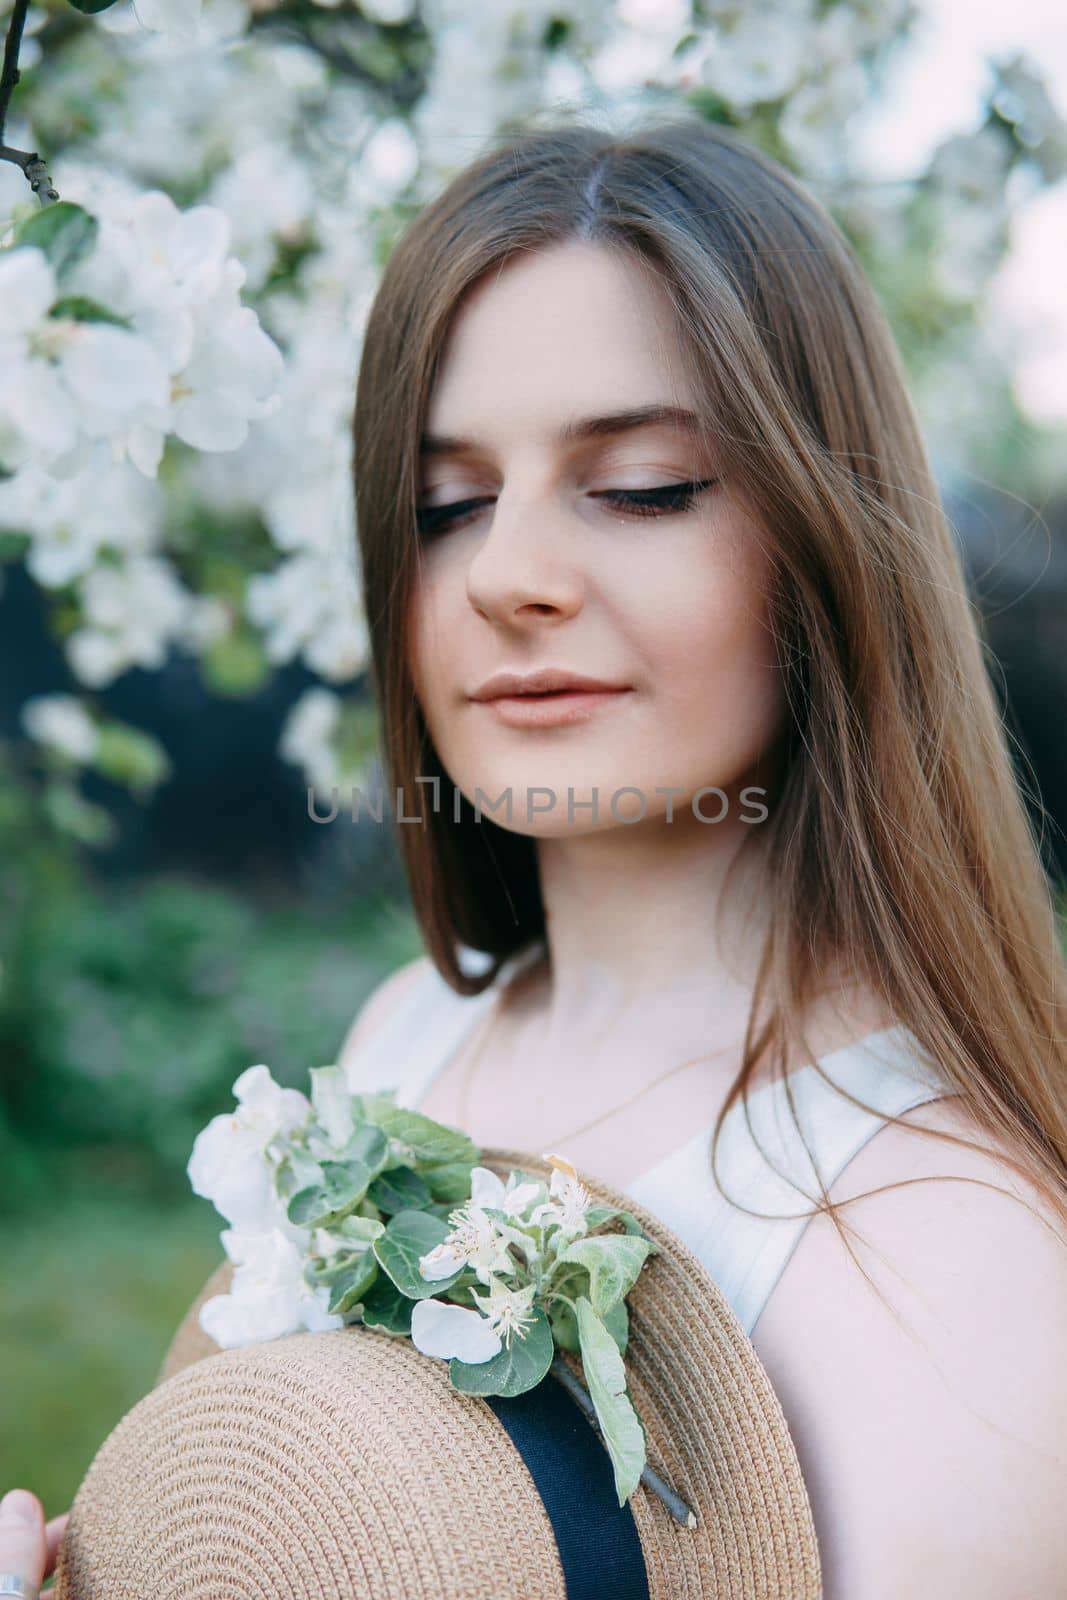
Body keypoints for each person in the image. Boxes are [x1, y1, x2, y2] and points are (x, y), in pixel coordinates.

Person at [5, 113, 1065, 1600]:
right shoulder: (409, 1035)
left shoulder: (949, 1250)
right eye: (446, 508)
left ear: (829, 542)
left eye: (639, 486)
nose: (507, 576)